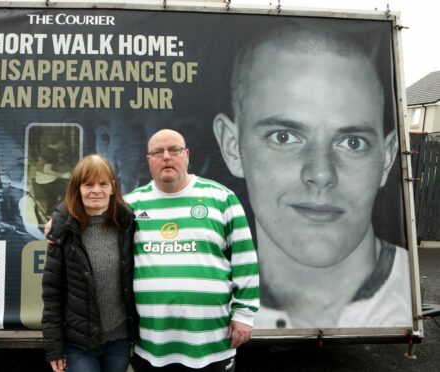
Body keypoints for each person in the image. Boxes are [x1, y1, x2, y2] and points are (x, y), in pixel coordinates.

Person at [212, 25, 412, 328]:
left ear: (387, 158)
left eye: (352, 143)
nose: (320, 173)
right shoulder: (202, 291)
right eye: (284, 137)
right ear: (232, 147)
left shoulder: (404, 295)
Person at [125, 129, 259, 371]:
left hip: (211, 340)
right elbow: (93, 228)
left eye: (174, 150)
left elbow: (245, 259)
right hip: (152, 342)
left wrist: (244, 315)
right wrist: (59, 225)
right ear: (149, 160)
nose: (166, 156)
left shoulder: (222, 198)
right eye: (157, 152)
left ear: (186, 155)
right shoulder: (130, 205)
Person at [41, 154, 138, 372]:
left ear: (112, 187)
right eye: (88, 184)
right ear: (77, 188)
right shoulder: (63, 233)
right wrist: (54, 348)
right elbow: (52, 294)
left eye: (103, 183)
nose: (96, 190)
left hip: (119, 340)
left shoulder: (127, 225)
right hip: (79, 344)